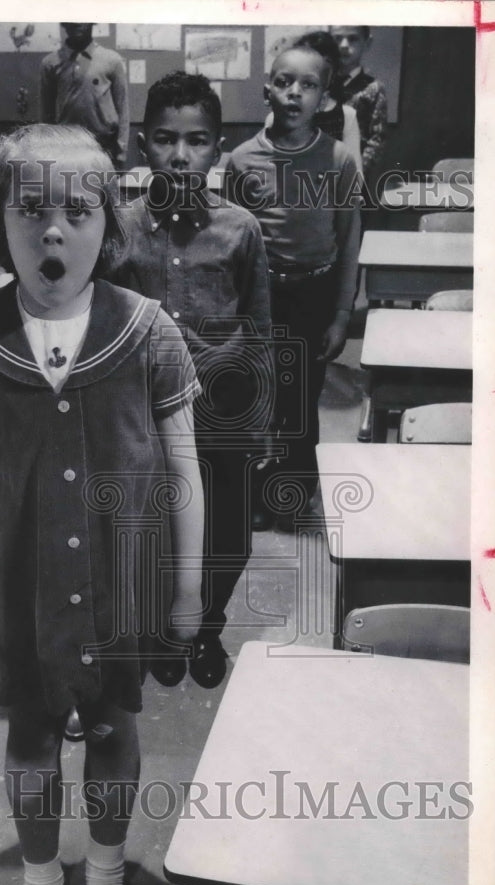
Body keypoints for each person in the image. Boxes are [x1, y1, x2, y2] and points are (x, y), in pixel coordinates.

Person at [0, 124, 203, 885]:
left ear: (108, 228)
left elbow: (185, 464)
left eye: (78, 212)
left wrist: (188, 587)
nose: (53, 232)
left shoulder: (148, 331)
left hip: (123, 577)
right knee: (31, 732)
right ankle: (43, 878)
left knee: (113, 724)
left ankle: (109, 866)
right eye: (30, 209)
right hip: (15, 581)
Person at [108, 71, 272, 689]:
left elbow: (258, 333)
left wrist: (258, 426)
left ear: (218, 147)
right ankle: (163, 628)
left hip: (224, 407)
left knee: (228, 532)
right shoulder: (117, 230)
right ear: (141, 145)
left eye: (196, 140)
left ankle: (207, 627)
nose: (180, 154)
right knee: (152, 527)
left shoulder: (241, 230)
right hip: (143, 414)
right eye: (164, 139)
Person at [226, 40, 360, 531]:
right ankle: (257, 490)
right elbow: (231, 242)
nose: (294, 93)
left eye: (308, 85)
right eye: (284, 82)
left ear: (325, 99)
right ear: (267, 90)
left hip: (314, 295)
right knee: (256, 395)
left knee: (301, 400)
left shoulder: (339, 160)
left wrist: (342, 316)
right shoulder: (242, 161)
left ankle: (295, 490)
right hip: (260, 297)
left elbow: (348, 242)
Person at [264, 31, 362, 174]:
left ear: (335, 69)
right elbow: (268, 164)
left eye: (325, 64)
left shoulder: (347, 116)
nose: (317, 71)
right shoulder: (278, 117)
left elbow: (355, 173)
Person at [39, 23, 129, 170]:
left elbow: (123, 109)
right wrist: (46, 150)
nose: (77, 22)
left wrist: (121, 152)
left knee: (101, 190)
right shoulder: (50, 63)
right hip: (66, 148)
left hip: (104, 146)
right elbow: (46, 113)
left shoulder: (112, 60)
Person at [329, 25, 387, 184]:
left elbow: (377, 139)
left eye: (352, 39)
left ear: (367, 43)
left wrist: (355, 173)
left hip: (354, 174)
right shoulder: (321, 84)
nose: (344, 45)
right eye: (337, 39)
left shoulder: (373, 88)